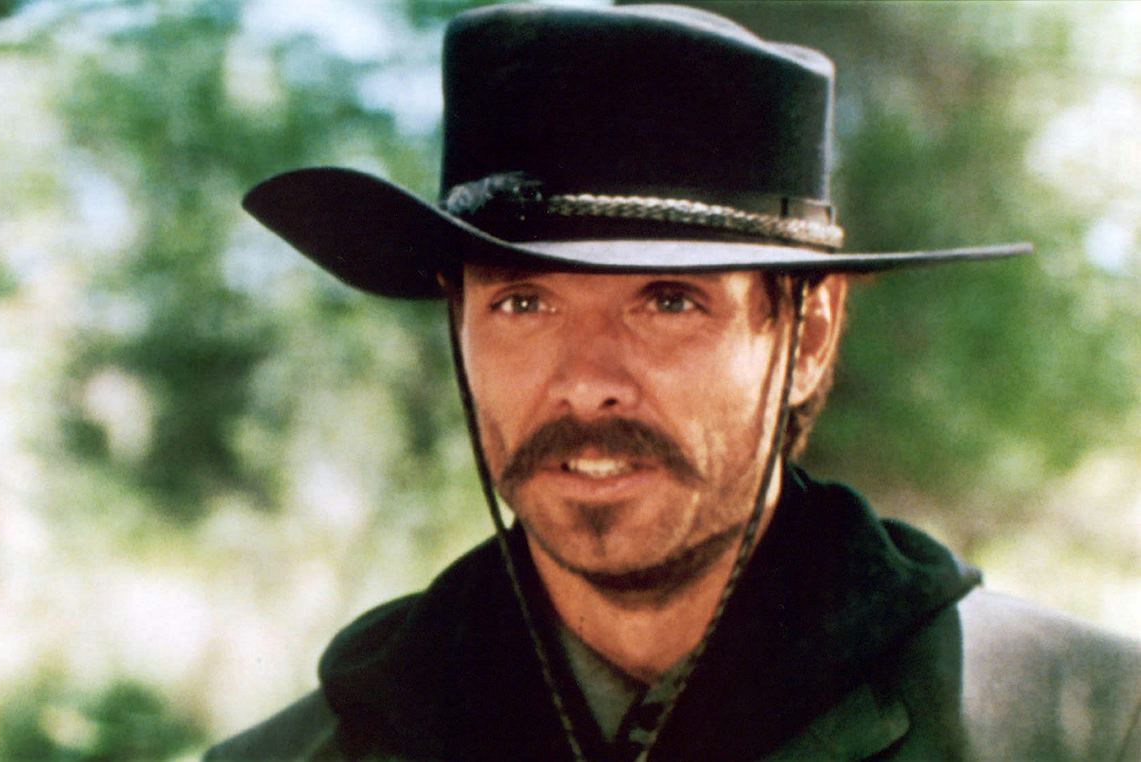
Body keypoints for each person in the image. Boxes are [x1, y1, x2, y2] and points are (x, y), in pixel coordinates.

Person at [207, 5, 1141, 760]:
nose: (585, 385)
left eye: (667, 301)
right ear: (458, 326)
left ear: (807, 336)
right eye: (523, 303)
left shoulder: (1085, 729)